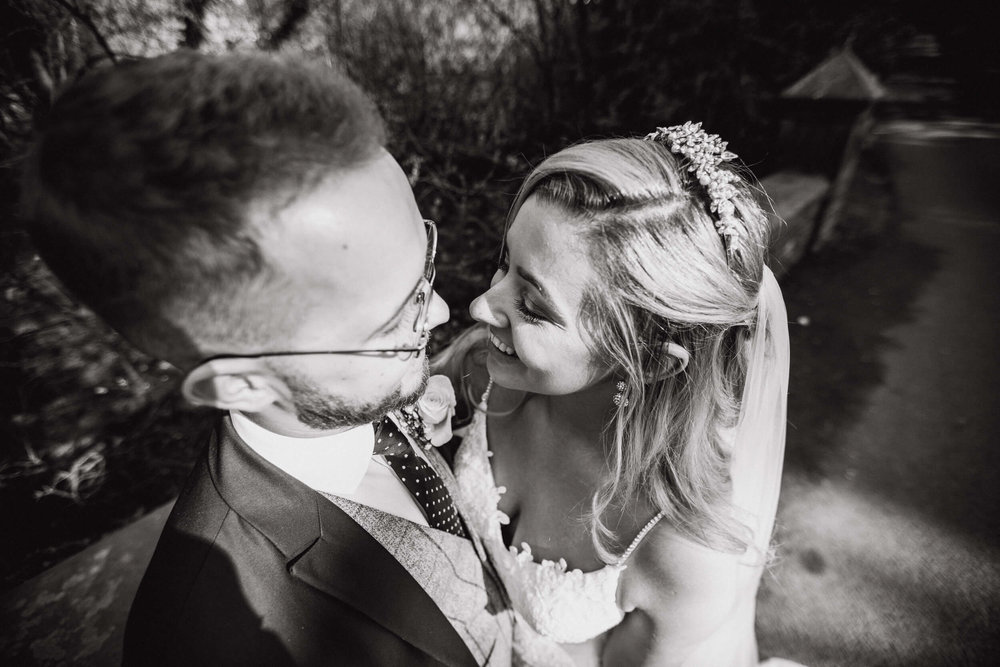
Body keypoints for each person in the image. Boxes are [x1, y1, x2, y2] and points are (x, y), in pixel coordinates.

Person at [21, 51, 513, 666]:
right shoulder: (217, 637)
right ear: (243, 384)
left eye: (426, 261)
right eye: (394, 318)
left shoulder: (359, 391)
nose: (441, 311)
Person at [435, 123, 793, 666]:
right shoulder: (487, 370)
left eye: (533, 306)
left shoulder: (682, 548)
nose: (482, 307)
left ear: (647, 359)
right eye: (505, 263)